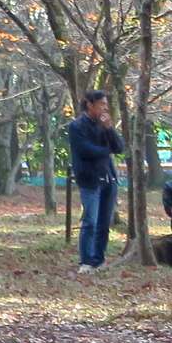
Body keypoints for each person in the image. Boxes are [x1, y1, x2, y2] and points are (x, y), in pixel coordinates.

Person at [69, 91, 126, 273]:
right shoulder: (76, 126)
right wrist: (105, 150)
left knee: (104, 223)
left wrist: (109, 129)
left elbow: (119, 147)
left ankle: (98, 259)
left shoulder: (105, 125)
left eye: (106, 104)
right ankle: (85, 261)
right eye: (102, 104)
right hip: (90, 179)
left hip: (109, 178)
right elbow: (84, 150)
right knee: (90, 221)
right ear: (90, 104)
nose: (105, 107)